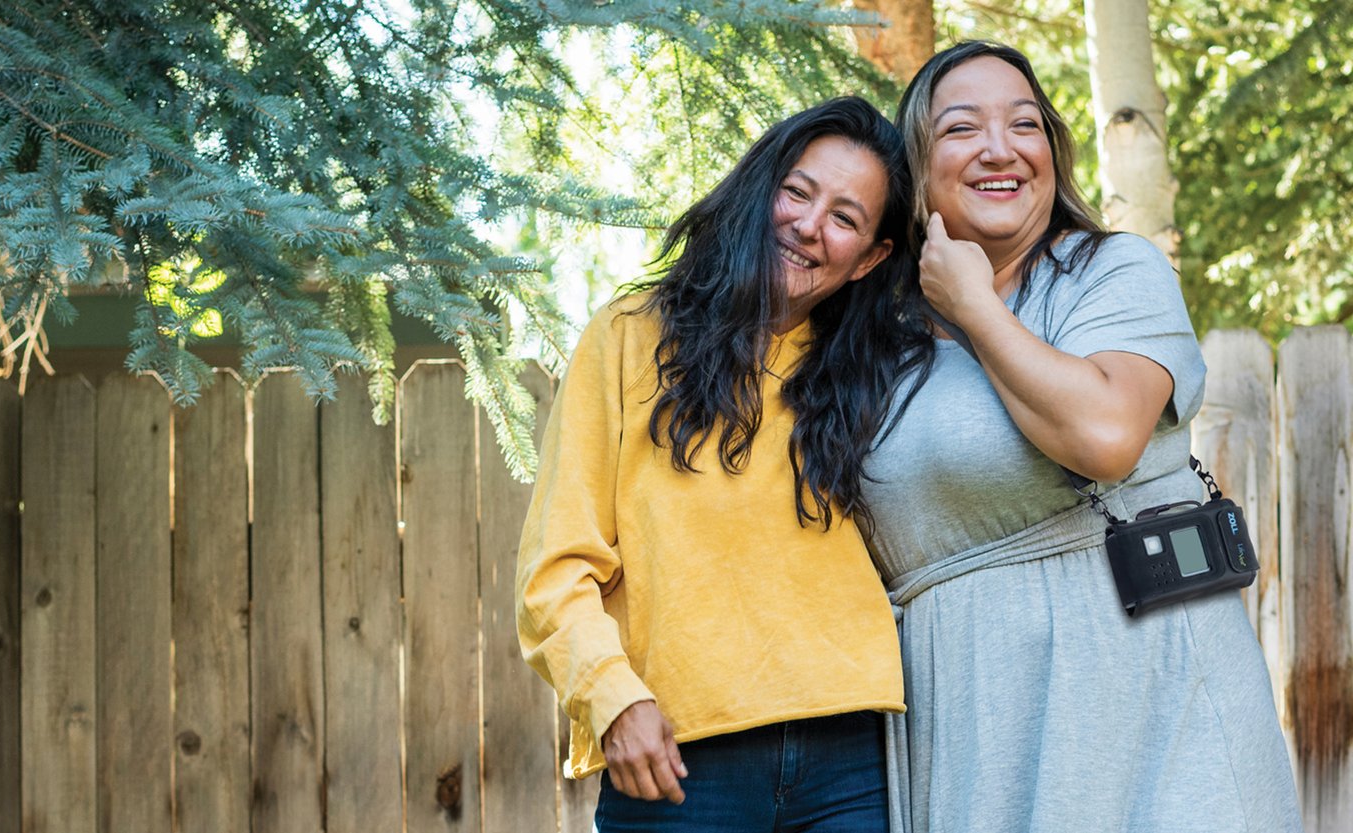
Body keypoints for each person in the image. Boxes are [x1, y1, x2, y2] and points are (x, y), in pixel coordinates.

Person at [860, 40, 1302, 832]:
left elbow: (1103, 434)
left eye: (1024, 124)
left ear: (1052, 154)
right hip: (972, 736)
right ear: (916, 169)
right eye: (962, 129)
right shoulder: (874, 341)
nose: (1001, 147)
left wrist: (973, 302)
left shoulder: (1114, 272)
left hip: (1155, 712)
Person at [516, 97, 931, 832]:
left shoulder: (882, 372)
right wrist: (612, 695)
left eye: (844, 217)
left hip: (853, 760)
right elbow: (556, 568)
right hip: (680, 757)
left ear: (871, 256)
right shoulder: (629, 336)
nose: (808, 225)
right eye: (797, 192)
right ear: (758, 188)